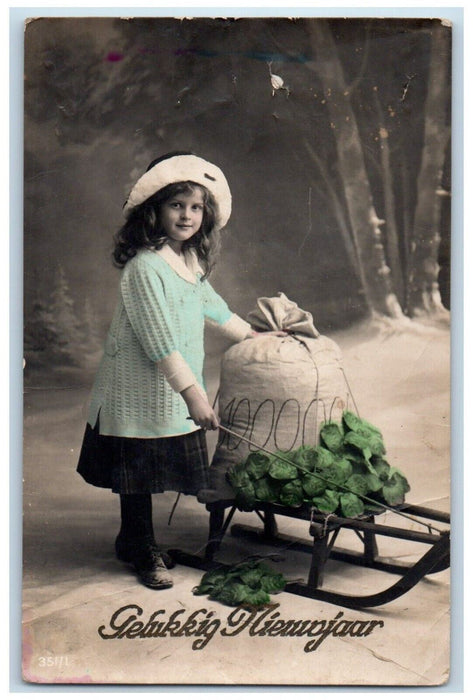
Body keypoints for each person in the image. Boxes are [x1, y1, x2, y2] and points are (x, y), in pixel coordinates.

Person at [77, 152, 282, 590]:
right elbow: (158, 342)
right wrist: (194, 394)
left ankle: (132, 540)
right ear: (154, 211)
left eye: (196, 207)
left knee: (155, 468)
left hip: (171, 387)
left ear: (205, 215)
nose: (187, 215)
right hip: (136, 390)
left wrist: (255, 338)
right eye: (176, 205)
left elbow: (216, 310)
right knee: (138, 474)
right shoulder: (144, 267)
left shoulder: (188, 261)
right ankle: (140, 545)